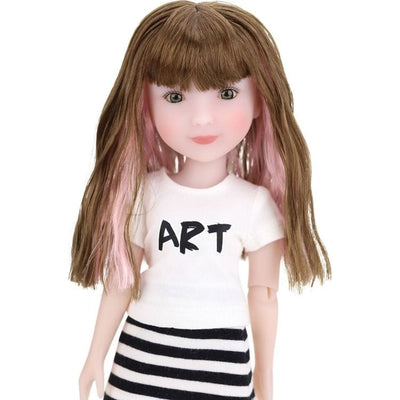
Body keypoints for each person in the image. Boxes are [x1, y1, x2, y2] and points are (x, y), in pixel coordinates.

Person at [70, 2, 331, 399]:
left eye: (227, 93)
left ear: (259, 99)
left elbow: (264, 296)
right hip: (142, 358)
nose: (202, 118)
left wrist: (264, 377)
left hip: (222, 363)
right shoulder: (145, 193)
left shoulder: (255, 205)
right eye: (175, 97)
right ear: (146, 103)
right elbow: (121, 280)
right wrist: (95, 354)